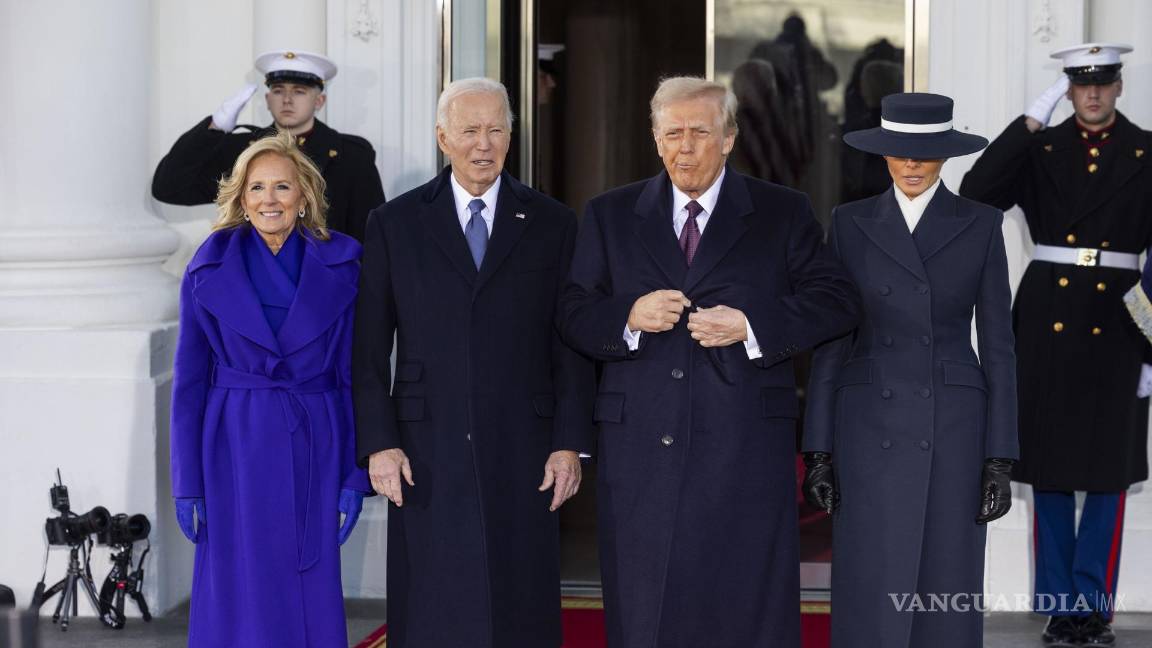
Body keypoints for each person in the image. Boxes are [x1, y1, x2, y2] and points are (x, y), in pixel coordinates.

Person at [559, 76, 861, 647]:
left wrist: (751, 325)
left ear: (729, 139)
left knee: (743, 600)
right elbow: (572, 312)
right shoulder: (609, 214)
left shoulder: (781, 211)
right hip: (641, 445)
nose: (686, 146)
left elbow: (837, 302)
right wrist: (628, 316)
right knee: (645, 602)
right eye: (673, 133)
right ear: (654, 138)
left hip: (744, 442)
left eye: (700, 132)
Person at [352, 77, 594, 648]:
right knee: (434, 594)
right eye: (468, 130)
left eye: (495, 130)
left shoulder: (553, 223)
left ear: (511, 136)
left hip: (525, 442)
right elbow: (366, 348)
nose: (482, 144)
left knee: (521, 594)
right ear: (443, 138)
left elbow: (570, 344)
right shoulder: (395, 223)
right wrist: (379, 443)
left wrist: (569, 442)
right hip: (422, 444)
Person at [802, 93, 1017, 648]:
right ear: (883, 155)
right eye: (900, 152)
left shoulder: (981, 223)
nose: (913, 164)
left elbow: (999, 346)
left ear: (946, 156)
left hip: (953, 426)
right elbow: (833, 339)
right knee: (871, 576)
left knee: (948, 575)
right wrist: (819, 449)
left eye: (925, 153)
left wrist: (999, 457)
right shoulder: (848, 223)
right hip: (868, 424)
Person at [959, 43, 1151, 647]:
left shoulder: (1148, 151)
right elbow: (976, 192)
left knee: (1107, 474)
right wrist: (1026, 125)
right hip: (1048, 317)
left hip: (1123, 318)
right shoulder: (1041, 148)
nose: (1092, 94)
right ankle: (1058, 605)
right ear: (1067, 89)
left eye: (1103, 82)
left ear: (1119, 86)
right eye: (1080, 84)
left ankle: (1094, 606)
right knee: (1050, 470)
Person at [170, 131, 371, 647]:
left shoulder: (345, 262)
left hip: (315, 437)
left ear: (304, 195)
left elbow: (356, 378)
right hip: (232, 442)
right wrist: (186, 481)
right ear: (240, 197)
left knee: (308, 584)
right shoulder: (206, 265)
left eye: (282, 187)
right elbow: (189, 383)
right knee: (235, 583)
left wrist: (354, 473)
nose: (269, 200)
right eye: (256, 187)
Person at [153, 50, 384, 241]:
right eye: (278, 90)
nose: (287, 100)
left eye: (299, 91)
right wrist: (215, 128)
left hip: (326, 283)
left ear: (319, 101)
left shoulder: (351, 156)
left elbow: (370, 235)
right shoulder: (242, 151)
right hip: (255, 280)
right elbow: (169, 187)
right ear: (267, 99)